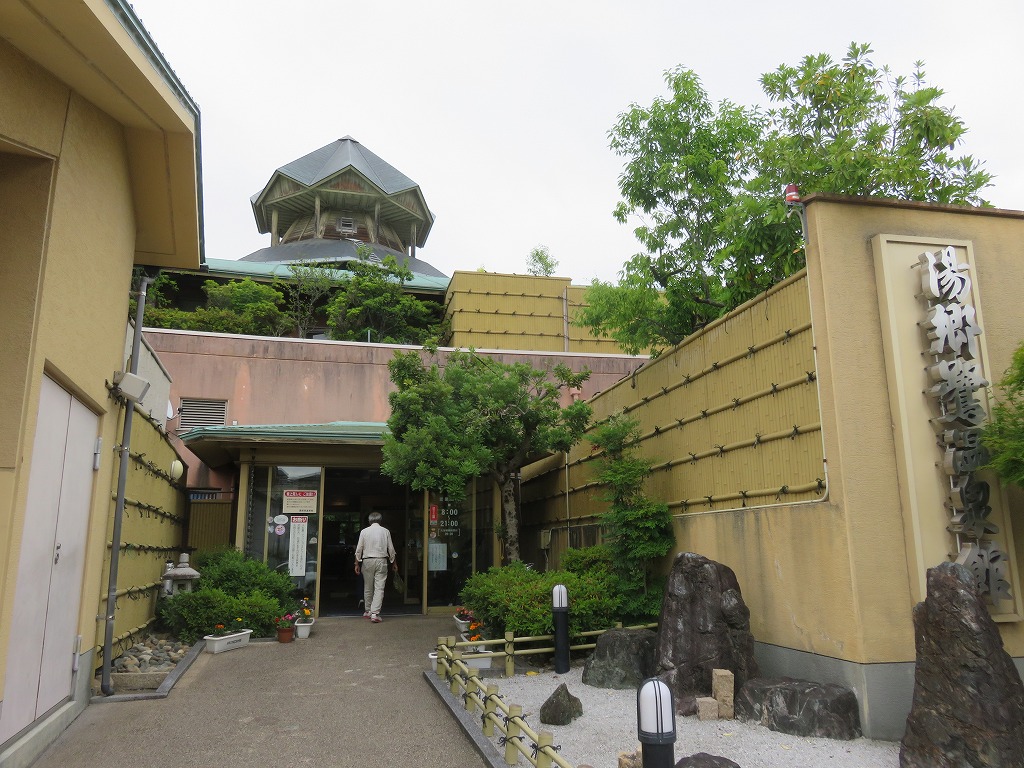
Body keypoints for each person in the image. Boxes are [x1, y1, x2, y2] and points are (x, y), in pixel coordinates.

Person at [353, 511, 397, 623]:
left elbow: (359, 549)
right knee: (379, 587)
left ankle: (368, 611)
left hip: (367, 561)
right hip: (381, 561)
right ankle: (375, 613)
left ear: (369, 521)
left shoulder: (364, 531)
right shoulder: (385, 531)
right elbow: (391, 549)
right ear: (380, 520)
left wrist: (356, 563)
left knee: (368, 587)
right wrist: (394, 563)